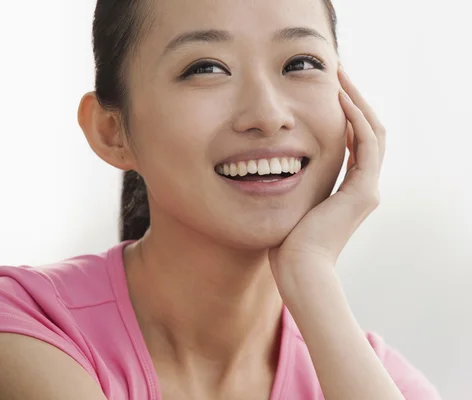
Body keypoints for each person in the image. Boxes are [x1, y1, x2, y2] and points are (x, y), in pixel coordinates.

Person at [0, 0, 441, 399]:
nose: (268, 116)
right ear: (112, 132)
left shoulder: (381, 382)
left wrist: (311, 273)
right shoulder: (28, 325)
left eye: (300, 62)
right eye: (206, 68)